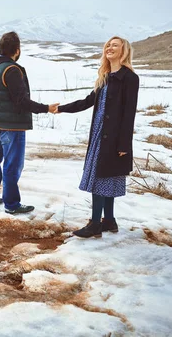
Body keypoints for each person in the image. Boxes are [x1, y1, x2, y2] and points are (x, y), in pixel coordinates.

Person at [55, 36, 139, 238]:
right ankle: (108, 221)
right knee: (106, 176)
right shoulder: (106, 76)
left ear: (124, 51)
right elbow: (87, 102)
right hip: (99, 134)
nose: (110, 47)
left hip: (114, 137)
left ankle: (95, 224)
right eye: (108, 45)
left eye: (115, 45)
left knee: (100, 177)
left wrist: (124, 143)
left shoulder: (130, 78)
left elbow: (129, 113)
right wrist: (60, 108)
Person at [0, 31, 59, 214]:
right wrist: (46, 108)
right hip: (12, 126)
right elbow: (21, 101)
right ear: (16, 50)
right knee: (12, 164)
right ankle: (11, 204)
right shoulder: (11, 69)